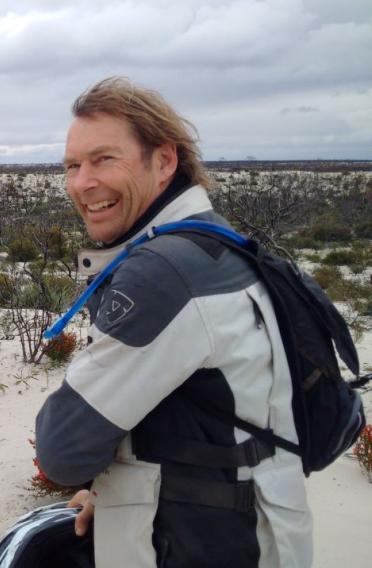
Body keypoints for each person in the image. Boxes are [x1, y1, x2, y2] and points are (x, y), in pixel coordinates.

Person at [35, 77, 311, 567]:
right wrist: (114, 488)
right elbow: (206, 414)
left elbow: (62, 451)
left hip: (204, 545)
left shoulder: (164, 275)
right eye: (72, 166)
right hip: (257, 529)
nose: (81, 183)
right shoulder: (218, 245)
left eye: (104, 159)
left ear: (164, 161)